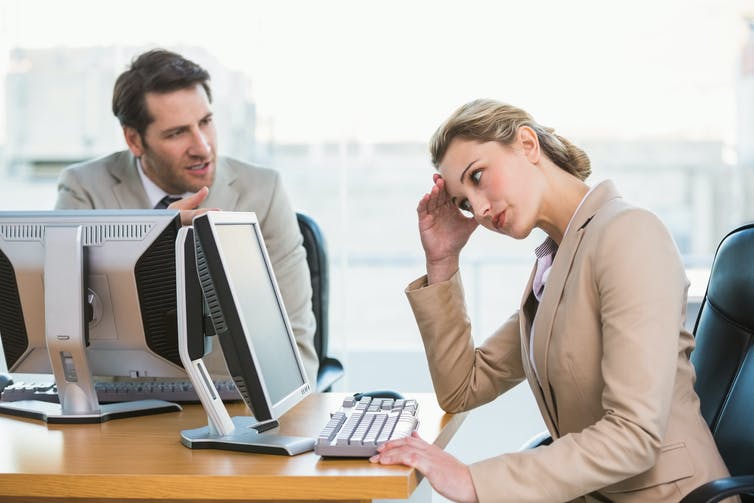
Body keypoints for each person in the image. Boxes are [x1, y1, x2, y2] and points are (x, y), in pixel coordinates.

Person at [370, 99, 733, 502]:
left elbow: (634, 435)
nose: (482, 209)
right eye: (465, 204)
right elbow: (463, 387)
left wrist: (473, 480)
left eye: (478, 176)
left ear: (527, 144)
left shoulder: (628, 234)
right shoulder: (557, 263)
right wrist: (442, 259)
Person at [54, 49, 318, 385]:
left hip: (235, 403)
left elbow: (295, 345)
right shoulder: (84, 189)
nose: (202, 147)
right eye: (177, 133)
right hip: (124, 406)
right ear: (134, 140)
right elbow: (65, 327)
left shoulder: (262, 192)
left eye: (206, 122)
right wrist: (154, 238)